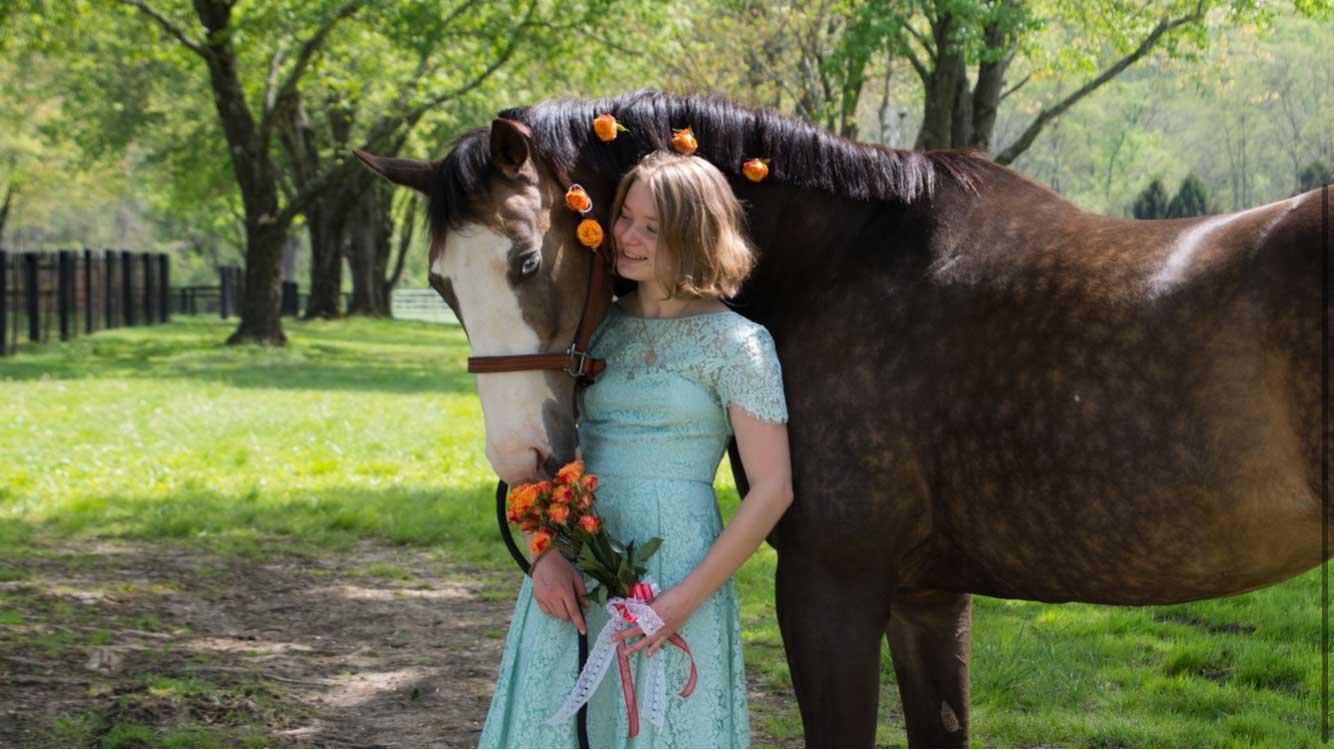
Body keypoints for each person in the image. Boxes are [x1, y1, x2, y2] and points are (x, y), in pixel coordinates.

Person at [479, 150, 792, 748]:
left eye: (652, 227)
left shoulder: (739, 344)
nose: (627, 236)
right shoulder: (591, 327)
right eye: (625, 216)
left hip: (678, 567)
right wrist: (544, 556)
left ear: (694, 235)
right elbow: (539, 447)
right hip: (574, 561)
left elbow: (774, 488)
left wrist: (681, 601)